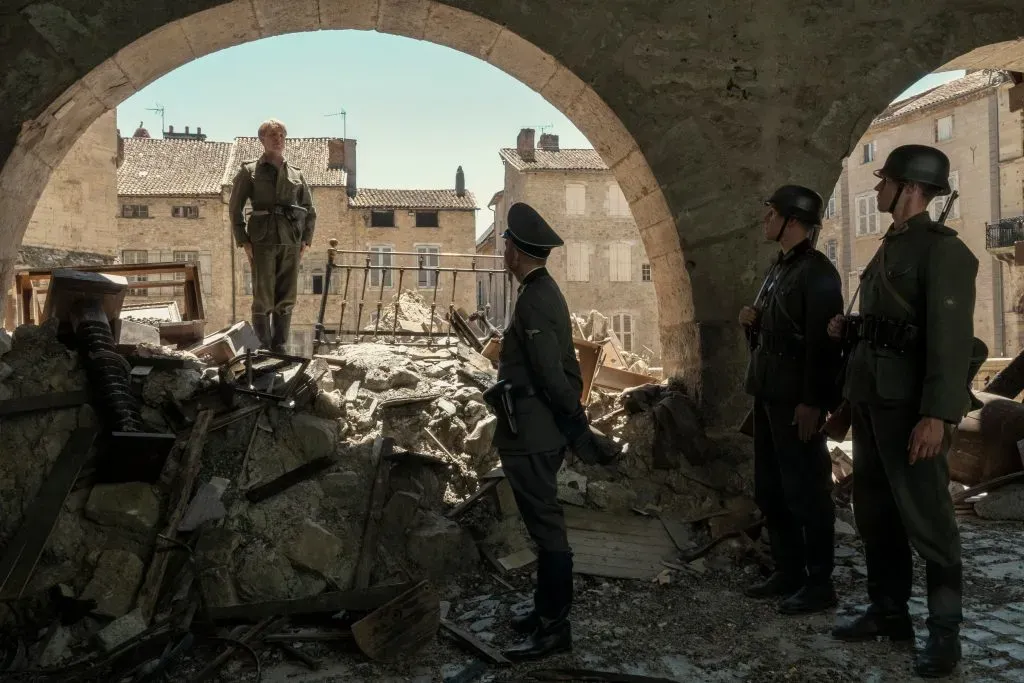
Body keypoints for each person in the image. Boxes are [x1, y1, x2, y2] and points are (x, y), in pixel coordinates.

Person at [827, 144, 977, 678]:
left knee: (929, 517)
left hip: (911, 407)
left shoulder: (943, 252)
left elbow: (952, 342)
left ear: (910, 188)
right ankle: (889, 612)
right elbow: (889, 323)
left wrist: (937, 414)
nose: (877, 189)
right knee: (876, 512)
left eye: (885, 180)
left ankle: (945, 634)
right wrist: (853, 331)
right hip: (873, 397)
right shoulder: (890, 245)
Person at [485, 202, 612, 661]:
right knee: (543, 527)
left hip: (533, 433)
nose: (504, 252)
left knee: (548, 531)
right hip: (533, 429)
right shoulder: (541, 291)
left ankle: (555, 628)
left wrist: (577, 428)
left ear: (515, 251)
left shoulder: (536, 297)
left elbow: (550, 374)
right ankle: (543, 611)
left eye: (505, 245)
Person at [738, 185, 844, 614]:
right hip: (769, 393)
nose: (765, 220)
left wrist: (813, 401)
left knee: (807, 491)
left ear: (793, 221)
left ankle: (820, 583)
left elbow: (824, 346)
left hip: (795, 400)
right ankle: (789, 570)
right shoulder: (780, 269)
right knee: (772, 488)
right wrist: (753, 323)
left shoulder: (818, 273)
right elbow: (775, 336)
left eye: (771, 214)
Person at [229, 118, 316, 353]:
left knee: (286, 297)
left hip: (290, 239)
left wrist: (306, 241)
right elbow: (235, 207)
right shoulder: (250, 171)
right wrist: (243, 240)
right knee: (263, 298)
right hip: (262, 240)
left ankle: (280, 349)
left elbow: (309, 209)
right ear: (262, 140)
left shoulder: (296, 173)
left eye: (281, 136)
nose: (278, 140)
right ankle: (262, 349)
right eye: (272, 136)